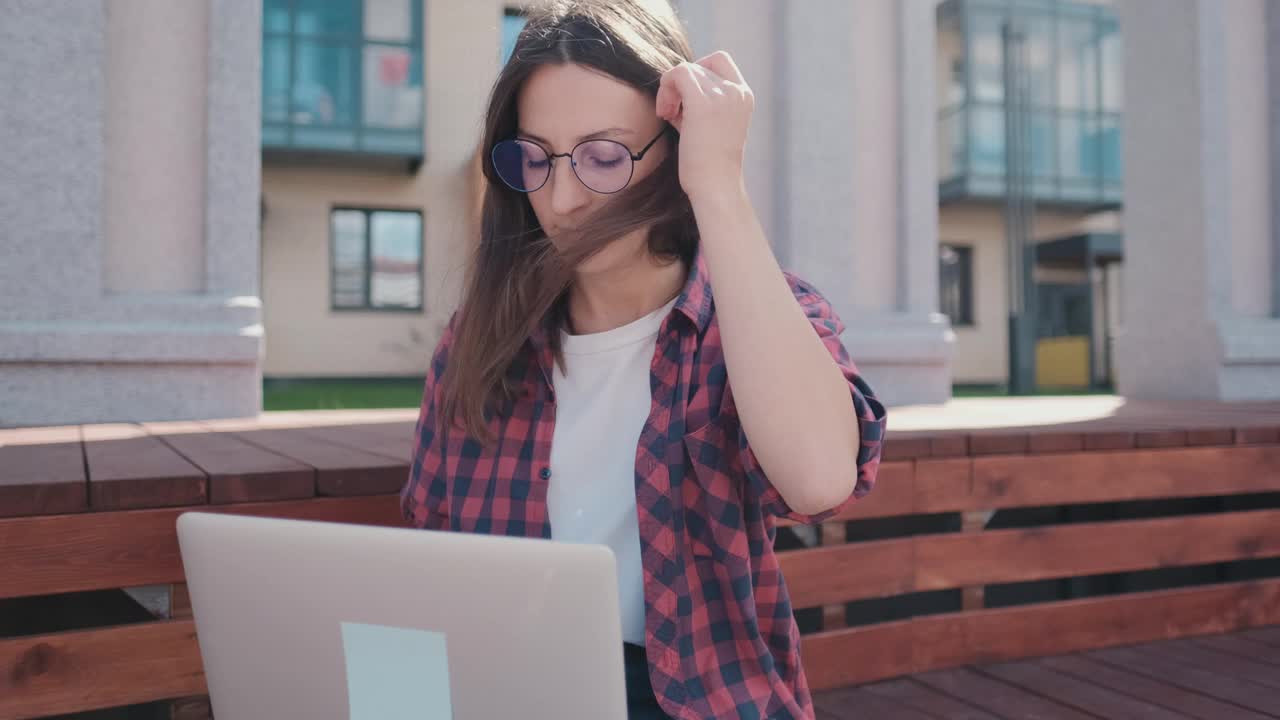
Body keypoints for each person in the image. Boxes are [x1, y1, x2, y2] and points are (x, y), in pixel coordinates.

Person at [401, 1, 887, 717]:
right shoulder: (478, 342)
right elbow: (430, 560)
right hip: (508, 693)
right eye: (534, 158)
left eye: (603, 157)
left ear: (676, 151)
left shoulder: (750, 321)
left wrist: (719, 184)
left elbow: (818, 482)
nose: (562, 199)